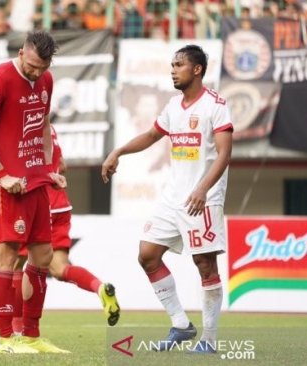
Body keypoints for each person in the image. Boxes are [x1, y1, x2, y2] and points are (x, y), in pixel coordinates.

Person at [102, 44, 233, 354]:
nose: (173, 69)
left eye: (179, 64)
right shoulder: (173, 106)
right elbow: (150, 136)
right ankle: (181, 325)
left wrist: (202, 188)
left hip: (203, 199)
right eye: (172, 65)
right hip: (173, 198)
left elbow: (225, 153)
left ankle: (209, 341)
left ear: (197, 69)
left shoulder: (216, 105)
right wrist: (118, 151)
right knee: (147, 255)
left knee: (205, 266)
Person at [0, 30, 69, 354]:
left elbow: (42, 125)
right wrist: (2, 175)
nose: (36, 73)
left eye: (42, 67)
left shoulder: (46, 81)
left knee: (43, 256)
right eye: (32, 66)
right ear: (23, 51)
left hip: (35, 180)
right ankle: (3, 338)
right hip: (6, 183)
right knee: (8, 254)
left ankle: (31, 335)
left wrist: (48, 167)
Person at [0, 125, 121, 346]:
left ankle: (17, 330)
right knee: (59, 267)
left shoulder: (21, 126)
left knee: (16, 263)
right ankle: (99, 287)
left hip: (39, 201)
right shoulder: (48, 128)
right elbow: (62, 165)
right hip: (61, 205)